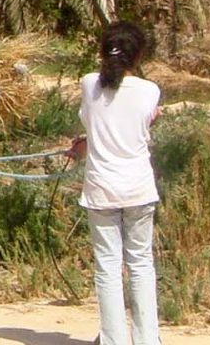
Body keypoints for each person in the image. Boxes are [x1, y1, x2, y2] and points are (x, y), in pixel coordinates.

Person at [68, 21, 162, 345]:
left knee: (107, 267)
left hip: (101, 190)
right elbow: (141, 120)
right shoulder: (150, 90)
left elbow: (94, 123)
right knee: (140, 264)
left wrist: (84, 144)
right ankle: (148, 339)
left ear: (102, 51)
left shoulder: (88, 83)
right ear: (138, 55)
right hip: (138, 188)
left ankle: (113, 340)